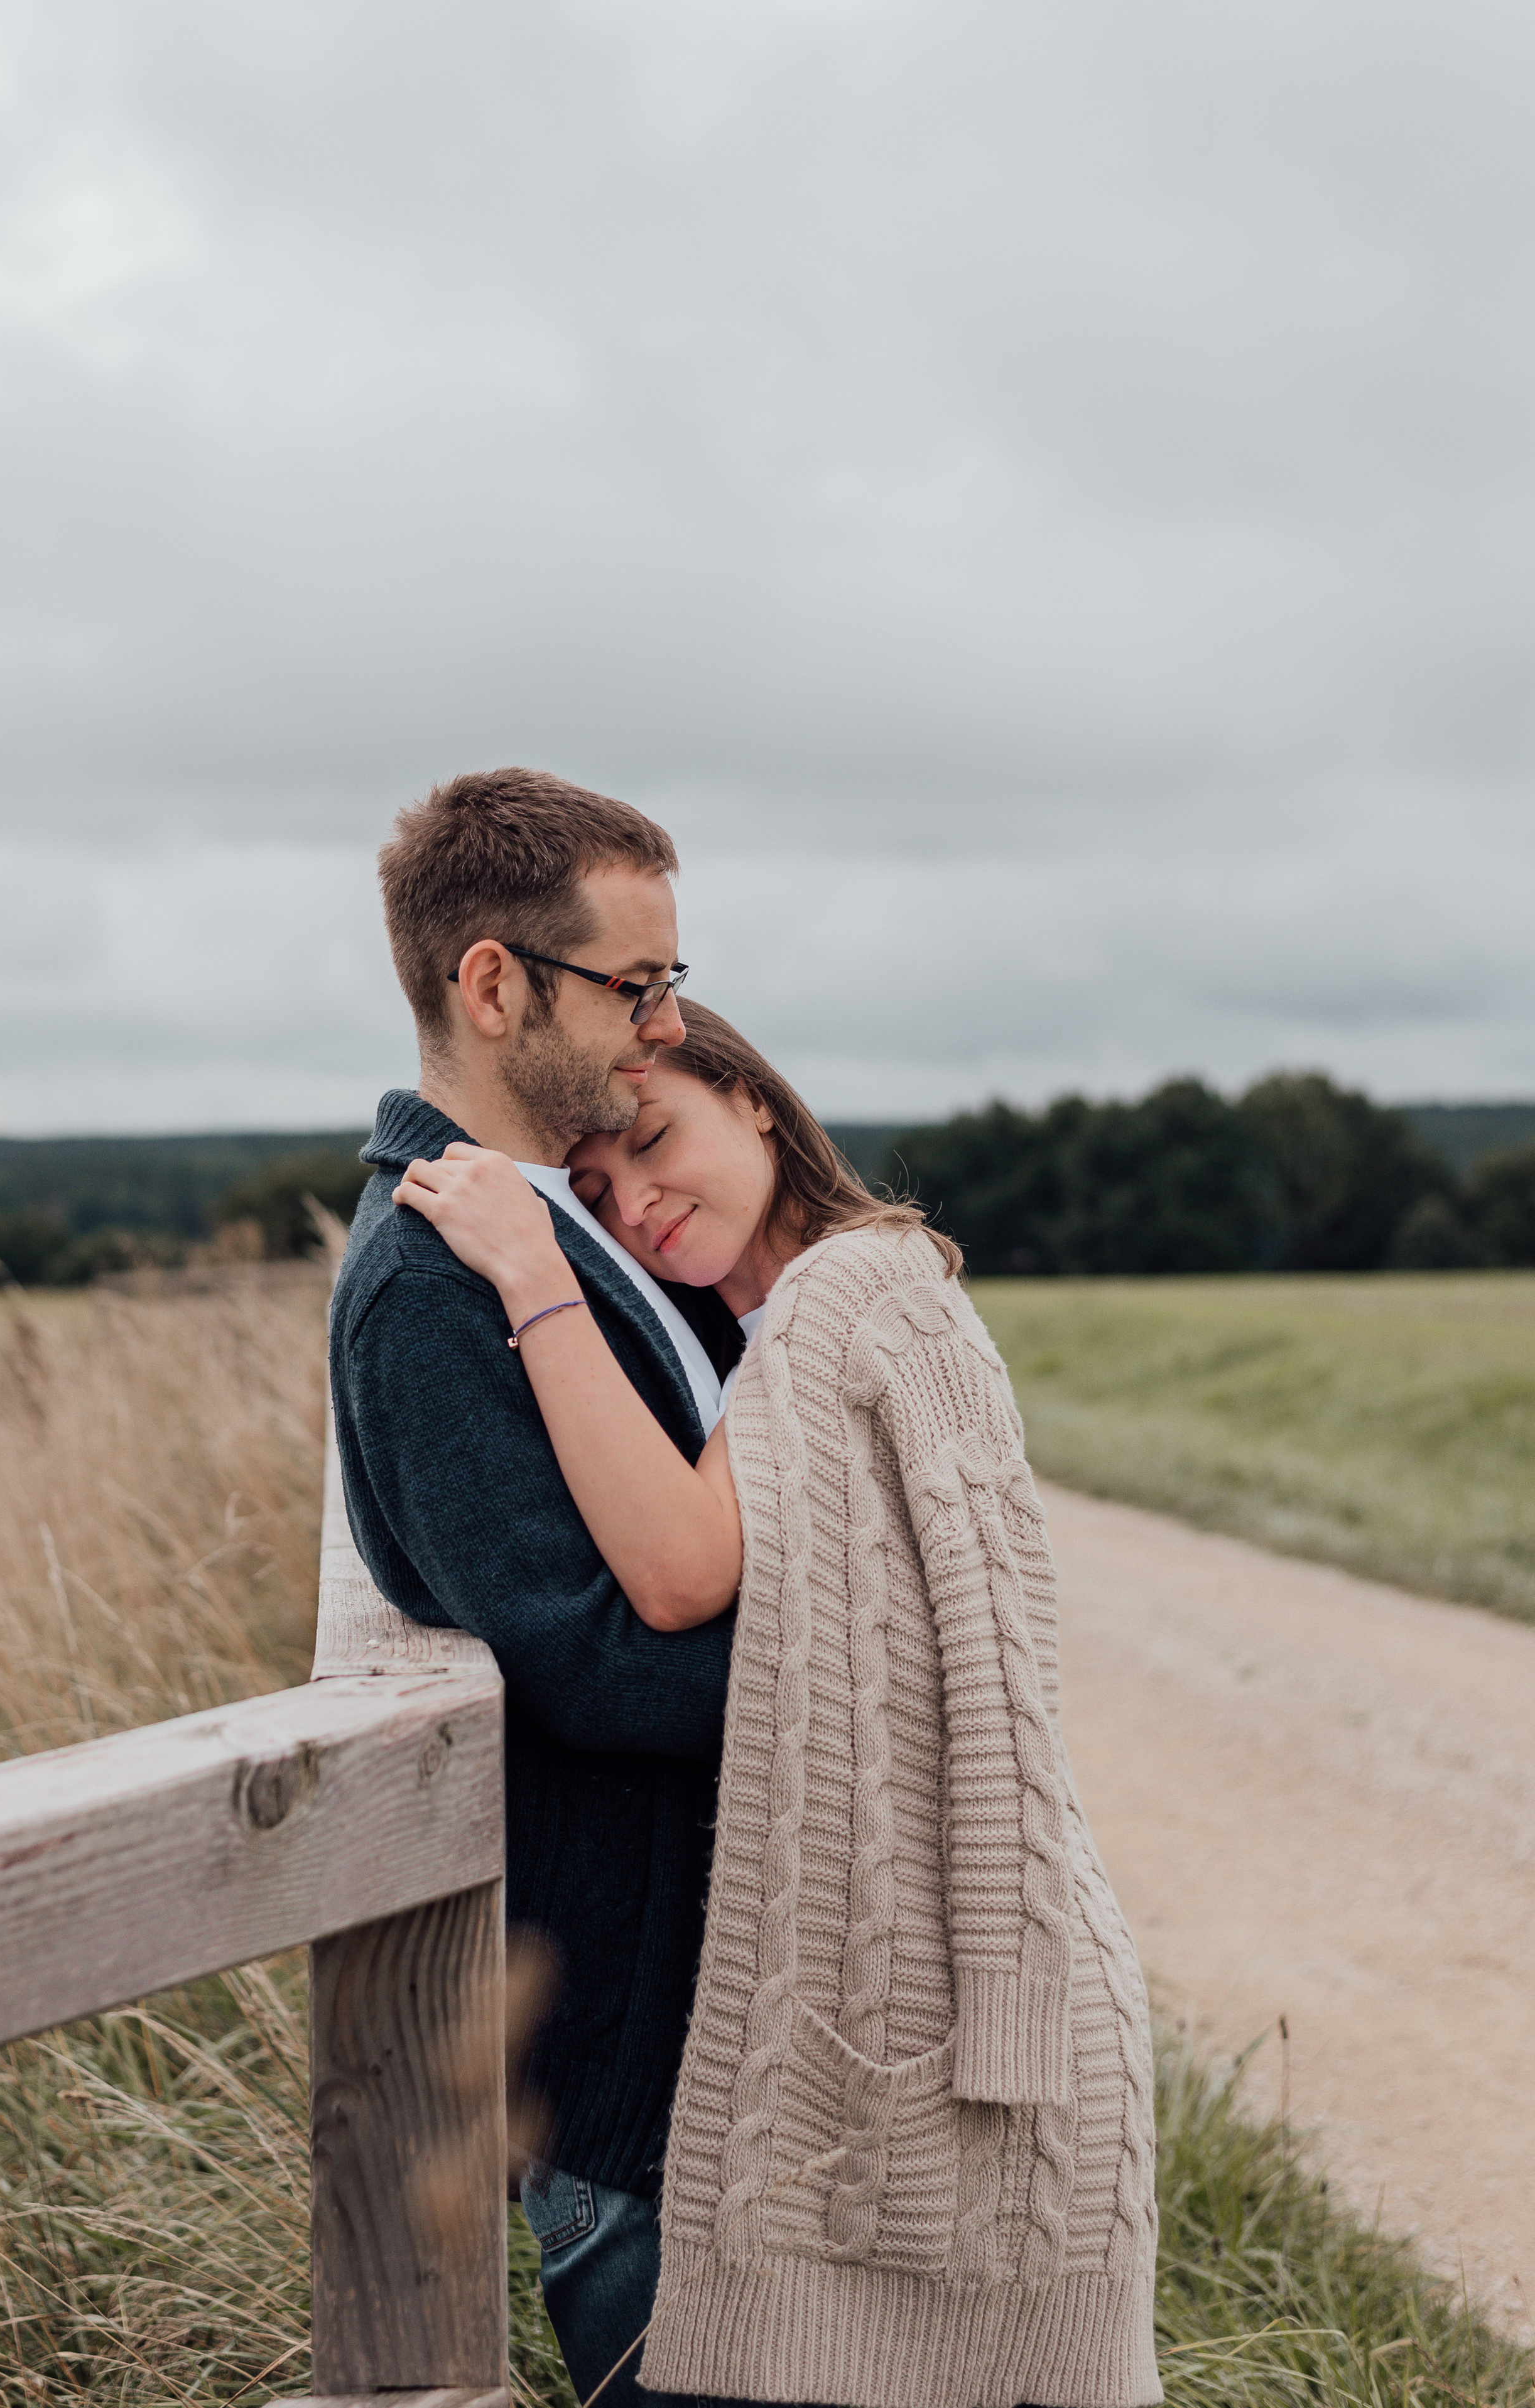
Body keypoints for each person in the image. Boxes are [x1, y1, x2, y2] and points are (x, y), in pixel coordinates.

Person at [394, 1001, 1164, 2408]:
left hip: (974, 2001)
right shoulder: (802, 1309)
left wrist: (533, 1271)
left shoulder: (833, 1298)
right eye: (595, 1196)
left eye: (654, 1141)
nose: (635, 1204)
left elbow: (681, 1571)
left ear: (753, 1098)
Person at [330, 767, 748, 2408]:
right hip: (627, 2087)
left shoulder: (569, 1221)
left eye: (671, 981)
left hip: (712, 2047)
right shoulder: (427, 1281)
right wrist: (875, 1682)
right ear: (494, 985)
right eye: (633, 985)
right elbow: (582, 1658)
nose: (665, 1025)